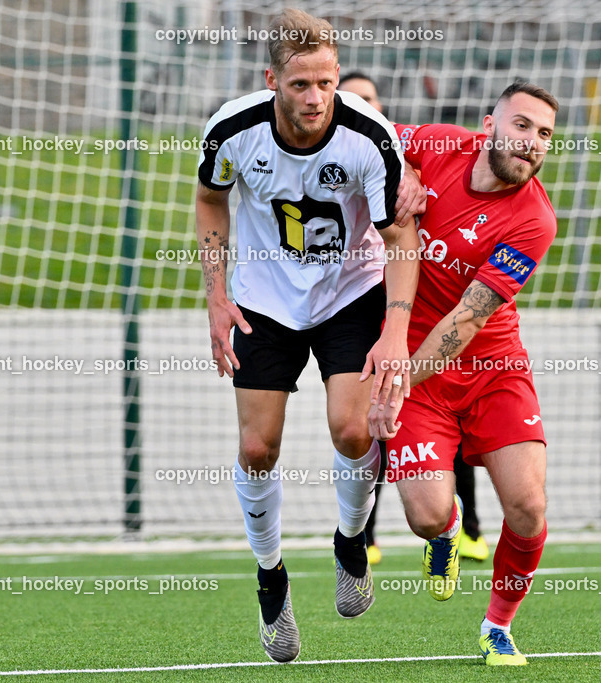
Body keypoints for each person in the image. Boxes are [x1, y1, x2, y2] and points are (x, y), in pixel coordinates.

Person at [194, 9, 421, 663]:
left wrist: (397, 332)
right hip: (263, 299)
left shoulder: (366, 137)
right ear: (273, 80)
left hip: (351, 293)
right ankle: (271, 577)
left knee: (353, 430)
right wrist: (215, 295)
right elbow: (210, 198)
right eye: (300, 85)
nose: (316, 97)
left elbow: (401, 234)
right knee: (257, 445)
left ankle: (351, 542)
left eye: (326, 81)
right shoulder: (232, 130)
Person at [369, 82, 559, 666]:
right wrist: (400, 170)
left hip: (489, 366)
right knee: (427, 517)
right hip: (415, 362)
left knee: (527, 505)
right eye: (522, 126)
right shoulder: (439, 144)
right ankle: (446, 535)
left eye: (546, 135)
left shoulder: (534, 221)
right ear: (489, 126)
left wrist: (396, 382)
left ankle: (497, 626)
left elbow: (466, 321)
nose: (532, 143)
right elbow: (370, 133)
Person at [337, 71, 490, 566]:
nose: (362, 107)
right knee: (372, 419)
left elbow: (414, 160)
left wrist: (411, 172)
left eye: (370, 100)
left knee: (454, 422)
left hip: (433, 313)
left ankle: (467, 526)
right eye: (352, 100)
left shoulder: (400, 150)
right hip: (367, 303)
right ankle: (367, 534)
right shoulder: (325, 158)